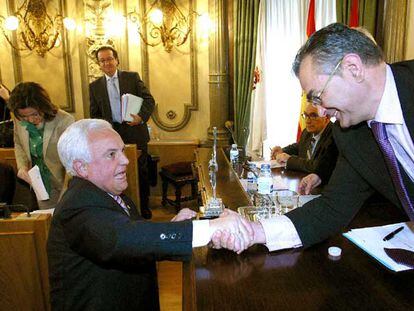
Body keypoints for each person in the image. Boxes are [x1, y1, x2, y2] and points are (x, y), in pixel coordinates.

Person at [214, 22, 414, 252]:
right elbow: (331, 208)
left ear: (353, 68)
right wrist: (253, 231)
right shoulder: (350, 133)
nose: (319, 112)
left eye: (318, 96)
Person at [47, 119, 253, 310]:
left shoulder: (111, 194)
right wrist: (210, 228)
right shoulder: (77, 204)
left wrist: (173, 227)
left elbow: (136, 238)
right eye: (111, 154)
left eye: (122, 151)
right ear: (81, 167)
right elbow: (122, 239)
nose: (125, 160)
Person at [89, 46, 155, 219]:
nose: (107, 63)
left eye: (110, 59)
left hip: (134, 130)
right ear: (99, 64)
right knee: (114, 173)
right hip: (112, 136)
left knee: (141, 172)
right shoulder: (94, 86)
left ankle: (143, 207)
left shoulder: (131, 78)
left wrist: (140, 117)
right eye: (103, 60)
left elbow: (149, 100)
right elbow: (94, 114)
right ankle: (122, 210)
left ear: (116, 60)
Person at [7, 82, 74, 209]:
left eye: (35, 114)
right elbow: (18, 142)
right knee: (47, 223)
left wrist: (67, 194)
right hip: (41, 184)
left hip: (64, 183)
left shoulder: (64, 121)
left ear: (44, 106)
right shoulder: (19, 119)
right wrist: (22, 166)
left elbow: (73, 161)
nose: (31, 120)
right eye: (24, 116)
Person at [271, 103, 338, 181]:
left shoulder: (334, 136)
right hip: (303, 182)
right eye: (306, 115)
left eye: (313, 116)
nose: (307, 121)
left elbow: (316, 167)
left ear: (327, 118)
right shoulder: (307, 132)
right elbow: (299, 146)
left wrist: (289, 160)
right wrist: (282, 151)